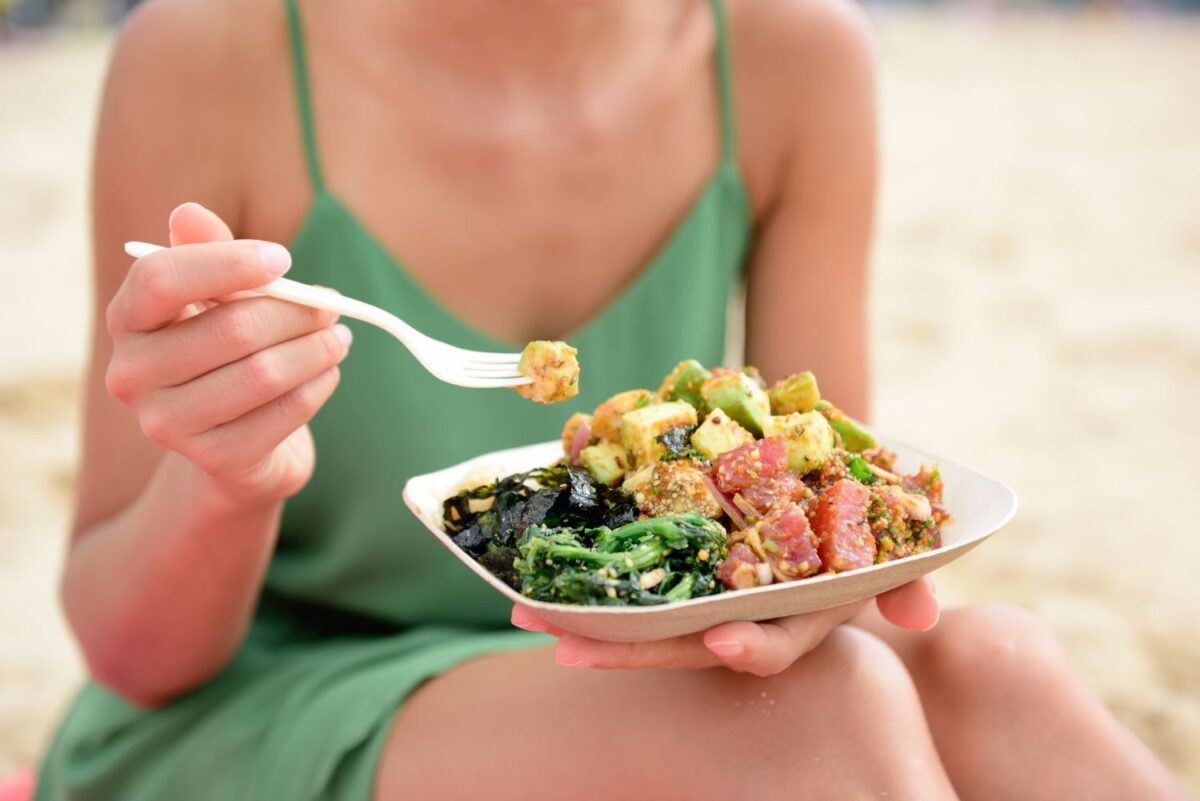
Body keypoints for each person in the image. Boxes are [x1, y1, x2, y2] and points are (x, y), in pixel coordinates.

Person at [36, 0, 1187, 799]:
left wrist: (803, 596)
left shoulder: (796, 56)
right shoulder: (212, 54)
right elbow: (136, 656)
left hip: (642, 668)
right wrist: (227, 478)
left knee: (1002, 670)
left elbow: (816, 531)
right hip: (267, 704)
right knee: (826, 715)